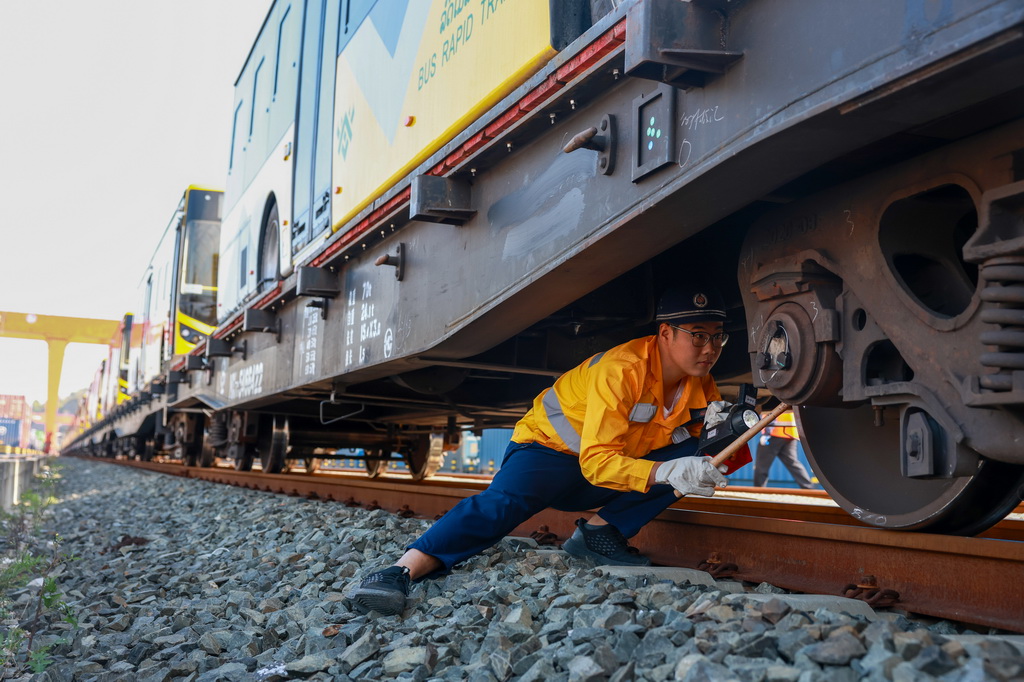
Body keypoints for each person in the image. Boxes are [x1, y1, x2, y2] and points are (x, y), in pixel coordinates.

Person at [350, 284, 751, 617]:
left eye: (717, 336)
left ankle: (598, 534)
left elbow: (698, 448)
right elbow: (596, 462)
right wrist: (666, 472)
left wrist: (725, 444)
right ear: (666, 334)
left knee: (699, 457)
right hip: (546, 455)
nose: (710, 347)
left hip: (603, 472)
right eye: (698, 335)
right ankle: (399, 571)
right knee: (502, 506)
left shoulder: (703, 385)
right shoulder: (622, 369)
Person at [753, 410, 815, 489]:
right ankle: (808, 488)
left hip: (775, 433)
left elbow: (772, 413)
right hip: (789, 433)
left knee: (761, 465)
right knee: (793, 463)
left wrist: (766, 434)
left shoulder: (775, 399)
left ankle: (758, 489)